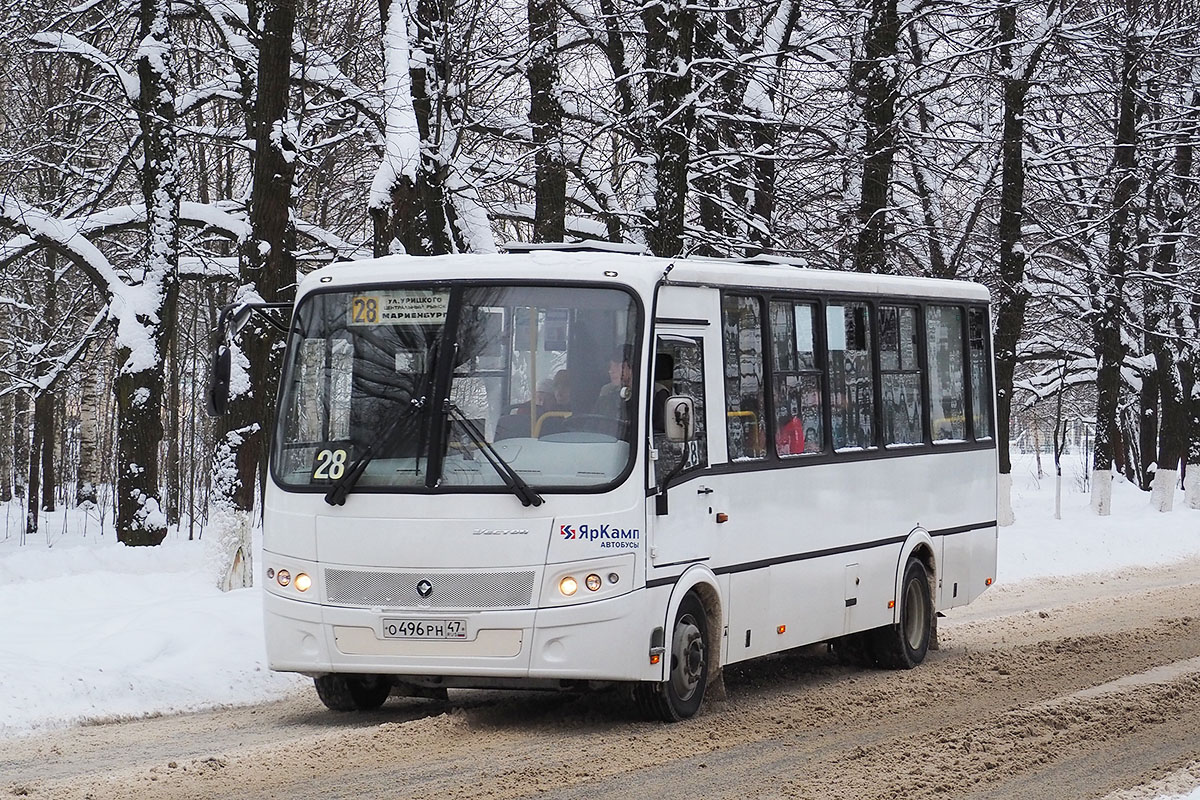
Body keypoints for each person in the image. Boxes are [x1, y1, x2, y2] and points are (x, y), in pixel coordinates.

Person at [593, 345, 633, 420]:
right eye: (610, 366)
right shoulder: (607, 391)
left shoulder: (654, 394)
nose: (611, 371)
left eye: (618, 366)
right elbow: (594, 421)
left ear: (631, 369)